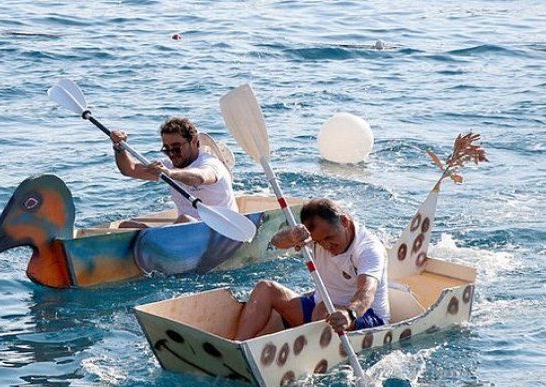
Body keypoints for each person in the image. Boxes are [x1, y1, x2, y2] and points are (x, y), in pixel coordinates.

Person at [234, 197, 390, 340]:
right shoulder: (316, 237)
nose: (327, 246)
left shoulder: (368, 249)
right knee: (265, 289)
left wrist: (350, 314)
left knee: (323, 311)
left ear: (344, 221)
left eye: (329, 238)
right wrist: (292, 236)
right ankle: (237, 346)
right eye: (319, 241)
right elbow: (276, 241)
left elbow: (367, 291)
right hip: (321, 310)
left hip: (364, 317)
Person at [109, 117, 237, 226]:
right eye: (166, 149)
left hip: (223, 228)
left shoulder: (211, 163)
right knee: (126, 226)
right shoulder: (169, 165)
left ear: (194, 142)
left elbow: (201, 177)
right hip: (188, 230)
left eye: (176, 148)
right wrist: (119, 148)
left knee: (184, 219)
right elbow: (130, 169)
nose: (171, 154)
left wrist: (169, 173)